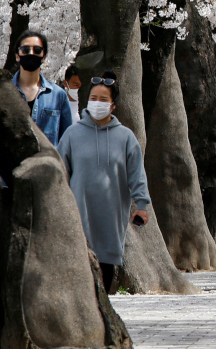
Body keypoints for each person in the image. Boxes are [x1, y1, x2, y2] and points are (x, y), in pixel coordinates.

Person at [57, 70, 150, 293]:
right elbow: (60, 173)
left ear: (113, 105)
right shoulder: (72, 134)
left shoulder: (126, 136)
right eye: (94, 98)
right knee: (81, 263)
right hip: (79, 211)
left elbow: (136, 173)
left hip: (112, 213)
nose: (97, 103)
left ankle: (105, 314)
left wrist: (142, 205)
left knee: (107, 263)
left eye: (103, 99)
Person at [11, 30, 73, 146]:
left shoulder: (58, 95)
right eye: (25, 50)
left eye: (37, 50)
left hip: (46, 162)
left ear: (44, 57)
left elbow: (67, 141)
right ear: (17, 55)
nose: (31, 53)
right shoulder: (4, 94)